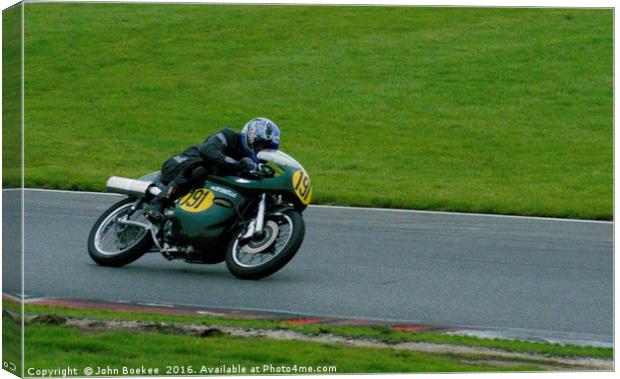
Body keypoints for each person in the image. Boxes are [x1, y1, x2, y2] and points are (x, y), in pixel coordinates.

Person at [144, 117, 281, 222]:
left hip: (200, 185)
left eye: (267, 149)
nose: (261, 151)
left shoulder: (249, 163)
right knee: (202, 168)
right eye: (261, 146)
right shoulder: (228, 136)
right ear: (252, 137)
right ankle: (158, 203)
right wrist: (236, 164)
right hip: (179, 164)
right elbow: (207, 150)